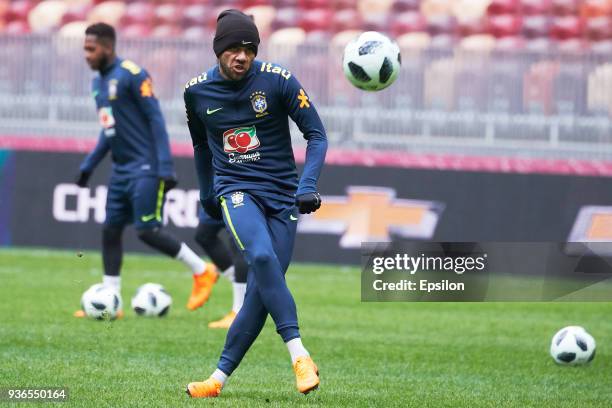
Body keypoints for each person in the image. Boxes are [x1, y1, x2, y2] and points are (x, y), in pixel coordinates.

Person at [183, 9, 327, 397]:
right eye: (233, 48)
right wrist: (205, 191)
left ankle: (217, 380)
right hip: (235, 190)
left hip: (283, 197)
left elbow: (317, 135)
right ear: (218, 50)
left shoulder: (278, 81)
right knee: (260, 259)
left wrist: (307, 184)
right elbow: (199, 145)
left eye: (249, 48)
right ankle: (300, 356)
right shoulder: (196, 91)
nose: (241, 55)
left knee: (261, 293)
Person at [74, 23, 218, 317]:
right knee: (110, 229)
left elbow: (156, 120)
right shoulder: (97, 84)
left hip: (147, 168)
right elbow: (109, 129)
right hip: (122, 169)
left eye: (92, 49)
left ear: (108, 47)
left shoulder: (132, 74)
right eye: (85, 49)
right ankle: (111, 298)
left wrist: (165, 166)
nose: (87, 55)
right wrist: (89, 165)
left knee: (147, 230)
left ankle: (202, 270)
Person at [194, 208, 248, 328]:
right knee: (204, 235)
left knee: (237, 239)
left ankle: (239, 312)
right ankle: (250, 289)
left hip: (237, 192)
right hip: (216, 190)